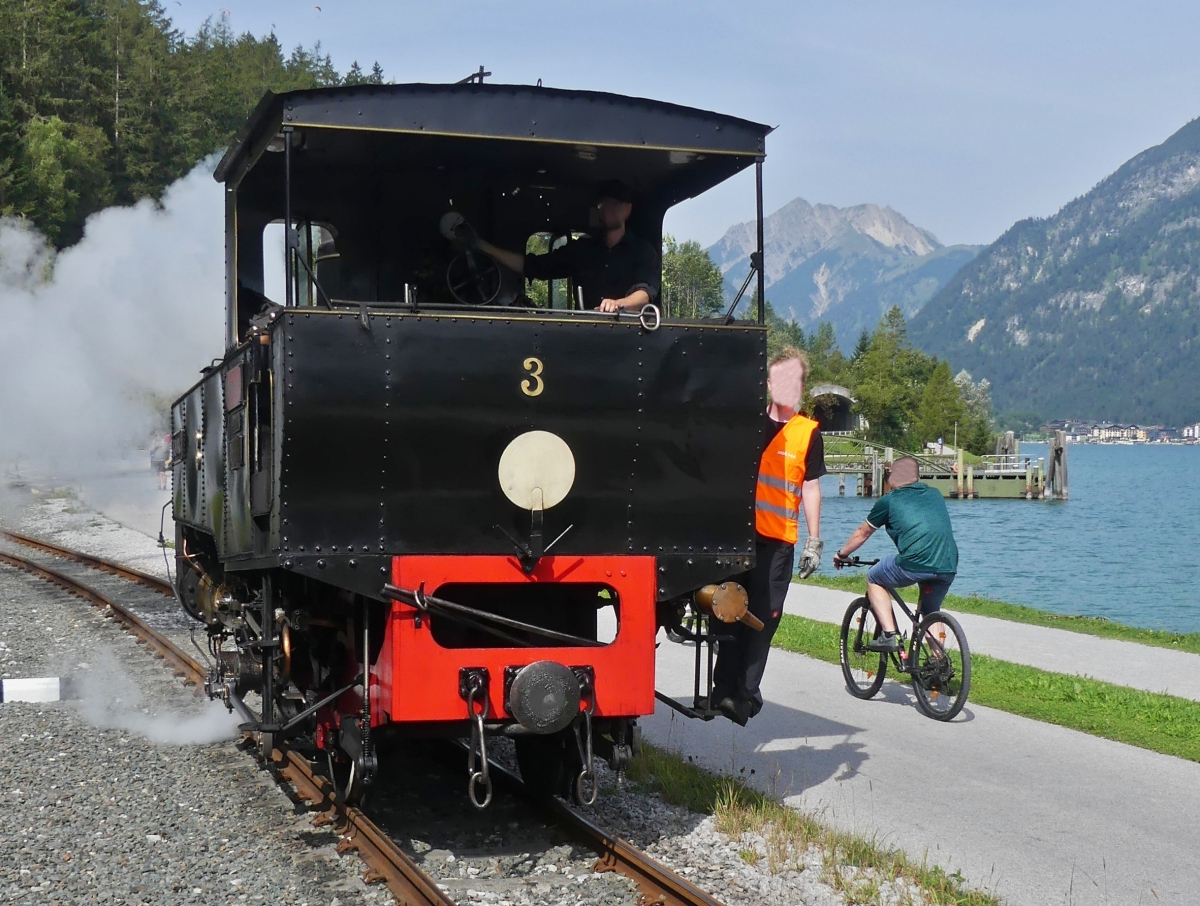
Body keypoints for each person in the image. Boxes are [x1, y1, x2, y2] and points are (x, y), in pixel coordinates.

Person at [709, 346, 826, 726]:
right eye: (781, 377)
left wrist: (814, 541)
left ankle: (744, 695)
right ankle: (722, 689)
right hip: (735, 537)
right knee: (725, 613)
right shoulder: (747, 425)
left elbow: (810, 488)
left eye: (795, 379)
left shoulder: (808, 433)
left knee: (763, 618)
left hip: (777, 542)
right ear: (769, 383)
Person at [458, 180, 661, 312]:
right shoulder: (582, 250)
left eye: (616, 204)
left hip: (627, 336)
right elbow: (531, 265)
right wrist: (482, 246)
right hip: (588, 333)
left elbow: (643, 295)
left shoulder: (643, 252)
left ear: (628, 210)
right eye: (604, 205)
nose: (609, 210)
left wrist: (617, 304)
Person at [832, 456, 958, 652]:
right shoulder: (934, 494)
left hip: (915, 562)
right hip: (948, 563)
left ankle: (889, 635)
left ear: (892, 478)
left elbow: (862, 532)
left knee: (874, 576)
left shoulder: (889, 500)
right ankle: (939, 665)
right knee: (930, 611)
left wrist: (842, 554)